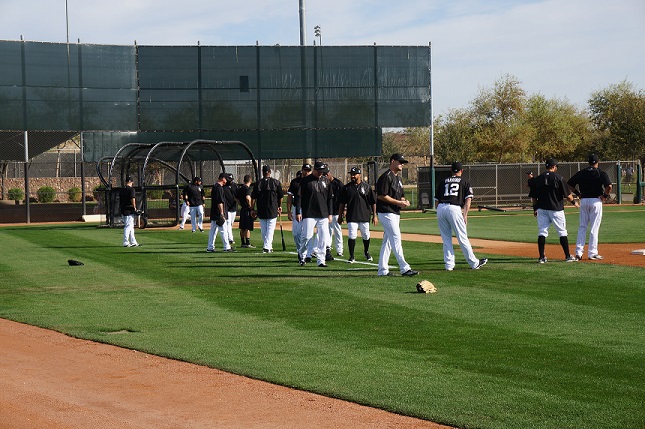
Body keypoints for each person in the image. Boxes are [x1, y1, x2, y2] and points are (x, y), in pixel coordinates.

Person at [435, 162, 488, 271]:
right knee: (462, 237)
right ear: (461, 171)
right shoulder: (464, 181)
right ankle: (474, 263)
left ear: (451, 170)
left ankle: (449, 265)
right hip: (454, 208)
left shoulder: (443, 181)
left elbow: (437, 201)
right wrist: (465, 215)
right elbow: (468, 200)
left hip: (441, 208)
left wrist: (440, 211)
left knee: (446, 239)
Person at [529, 158, 579, 263]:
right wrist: (574, 203)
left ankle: (541, 257)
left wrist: (535, 208)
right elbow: (568, 196)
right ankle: (567, 256)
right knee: (562, 232)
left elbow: (533, 198)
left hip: (542, 209)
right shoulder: (559, 178)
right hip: (556, 209)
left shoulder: (538, 179)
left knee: (542, 232)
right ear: (554, 167)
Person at [375, 154, 418, 276]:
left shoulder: (398, 178)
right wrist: (398, 202)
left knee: (388, 241)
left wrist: (404, 201)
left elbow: (401, 195)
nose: (402, 164)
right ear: (392, 161)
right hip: (386, 212)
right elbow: (381, 195)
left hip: (394, 212)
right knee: (396, 238)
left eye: (403, 162)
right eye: (400, 162)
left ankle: (382, 270)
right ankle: (404, 268)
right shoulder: (386, 177)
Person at [567, 154, 613, 260]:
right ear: (598, 162)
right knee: (594, 227)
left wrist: (578, 194)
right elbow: (609, 186)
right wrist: (605, 196)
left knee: (582, 226)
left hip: (584, 201)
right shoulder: (600, 172)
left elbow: (569, 184)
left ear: (588, 162)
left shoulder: (582, 173)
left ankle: (578, 252)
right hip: (596, 201)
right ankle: (592, 253)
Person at [296, 161, 334, 267]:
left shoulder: (326, 181)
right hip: (309, 212)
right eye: (319, 171)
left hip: (323, 213)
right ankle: (302, 255)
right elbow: (299, 197)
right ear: (314, 170)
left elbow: (330, 198)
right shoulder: (305, 181)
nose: (321, 173)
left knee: (323, 238)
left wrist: (330, 213)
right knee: (307, 236)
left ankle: (321, 260)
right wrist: (298, 211)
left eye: (322, 171)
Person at [338, 167, 377, 263]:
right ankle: (351, 256)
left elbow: (373, 202)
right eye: (351, 174)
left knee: (366, 235)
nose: (352, 176)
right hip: (352, 215)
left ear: (359, 175)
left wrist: (374, 215)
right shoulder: (346, 188)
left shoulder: (367, 187)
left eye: (354, 174)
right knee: (352, 235)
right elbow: (342, 203)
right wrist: (340, 216)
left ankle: (366, 252)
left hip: (364, 215)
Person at [251, 165, 284, 253]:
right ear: (270, 172)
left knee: (264, 230)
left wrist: (252, 209)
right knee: (270, 229)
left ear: (263, 172)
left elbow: (253, 197)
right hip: (272, 208)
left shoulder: (258, 183)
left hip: (261, 208)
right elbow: (280, 196)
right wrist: (280, 206)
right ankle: (267, 246)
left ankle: (268, 246)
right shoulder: (276, 182)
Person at [287, 164, 312, 256]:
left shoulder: (312, 182)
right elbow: (289, 197)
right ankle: (300, 250)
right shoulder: (295, 182)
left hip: (309, 209)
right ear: (302, 170)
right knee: (296, 234)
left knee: (308, 232)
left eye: (308, 170)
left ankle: (309, 253)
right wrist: (289, 211)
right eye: (305, 170)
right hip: (297, 209)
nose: (307, 172)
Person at [206, 173, 233, 253]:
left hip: (214, 212)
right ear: (223, 178)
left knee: (213, 231)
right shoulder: (218, 188)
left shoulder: (215, 186)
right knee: (223, 230)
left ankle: (210, 247)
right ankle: (226, 247)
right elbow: (219, 202)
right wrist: (222, 213)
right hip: (218, 213)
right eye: (226, 179)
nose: (227, 181)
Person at [326, 171, 344, 260]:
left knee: (337, 231)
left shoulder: (338, 184)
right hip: (327, 212)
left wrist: (344, 210)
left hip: (336, 210)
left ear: (330, 173)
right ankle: (328, 248)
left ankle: (339, 250)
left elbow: (344, 198)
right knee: (328, 230)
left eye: (327, 174)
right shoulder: (324, 183)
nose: (325, 175)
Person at [119, 175, 140, 247]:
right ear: (132, 182)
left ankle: (133, 242)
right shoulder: (131, 189)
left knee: (131, 227)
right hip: (129, 210)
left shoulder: (122, 190)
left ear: (126, 182)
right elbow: (132, 198)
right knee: (128, 226)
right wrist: (134, 207)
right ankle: (125, 242)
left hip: (123, 209)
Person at [236, 174, 255, 248]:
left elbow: (236, 198)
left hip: (242, 209)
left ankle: (242, 242)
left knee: (242, 227)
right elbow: (248, 197)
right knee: (247, 227)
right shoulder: (248, 189)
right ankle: (248, 243)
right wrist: (250, 206)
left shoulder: (240, 189)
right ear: (250, 181)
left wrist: (240, 204)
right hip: (247, 209)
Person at [224, 173, 238, 247]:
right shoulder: (224, 186)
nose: (230, 181)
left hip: (233, 208)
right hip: (227, 208)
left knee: (231, 224)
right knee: (228, 223)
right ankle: (230, 239)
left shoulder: (235, 186)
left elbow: (237, 195)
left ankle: (228, 236)